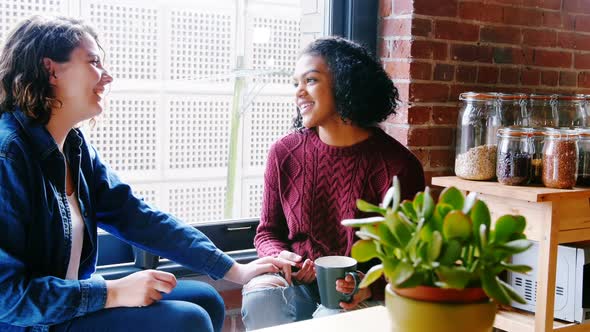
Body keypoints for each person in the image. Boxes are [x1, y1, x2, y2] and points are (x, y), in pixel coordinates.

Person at [0, 16, 292, 332]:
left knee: (205, 298)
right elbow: (6, 297)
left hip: (63, 308)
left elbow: (141, 218)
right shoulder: (8, 155)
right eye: (94, 62)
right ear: (51, 69)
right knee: (187, 321)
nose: (107, 76)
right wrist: (112, 291)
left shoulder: (74, 147)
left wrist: (235, 269)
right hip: (28, 323)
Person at [240, 36, 426, 330]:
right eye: (295, 84)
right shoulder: (284, 153)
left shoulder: (398, 166)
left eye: (310, 80)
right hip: (295, 284)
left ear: (345, 83)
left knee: (331, 319)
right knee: (262, 297)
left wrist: (369, 287)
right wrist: (282, 256)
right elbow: (267, 233)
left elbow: (412, 261)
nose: (298, 92)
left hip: (356, 293)